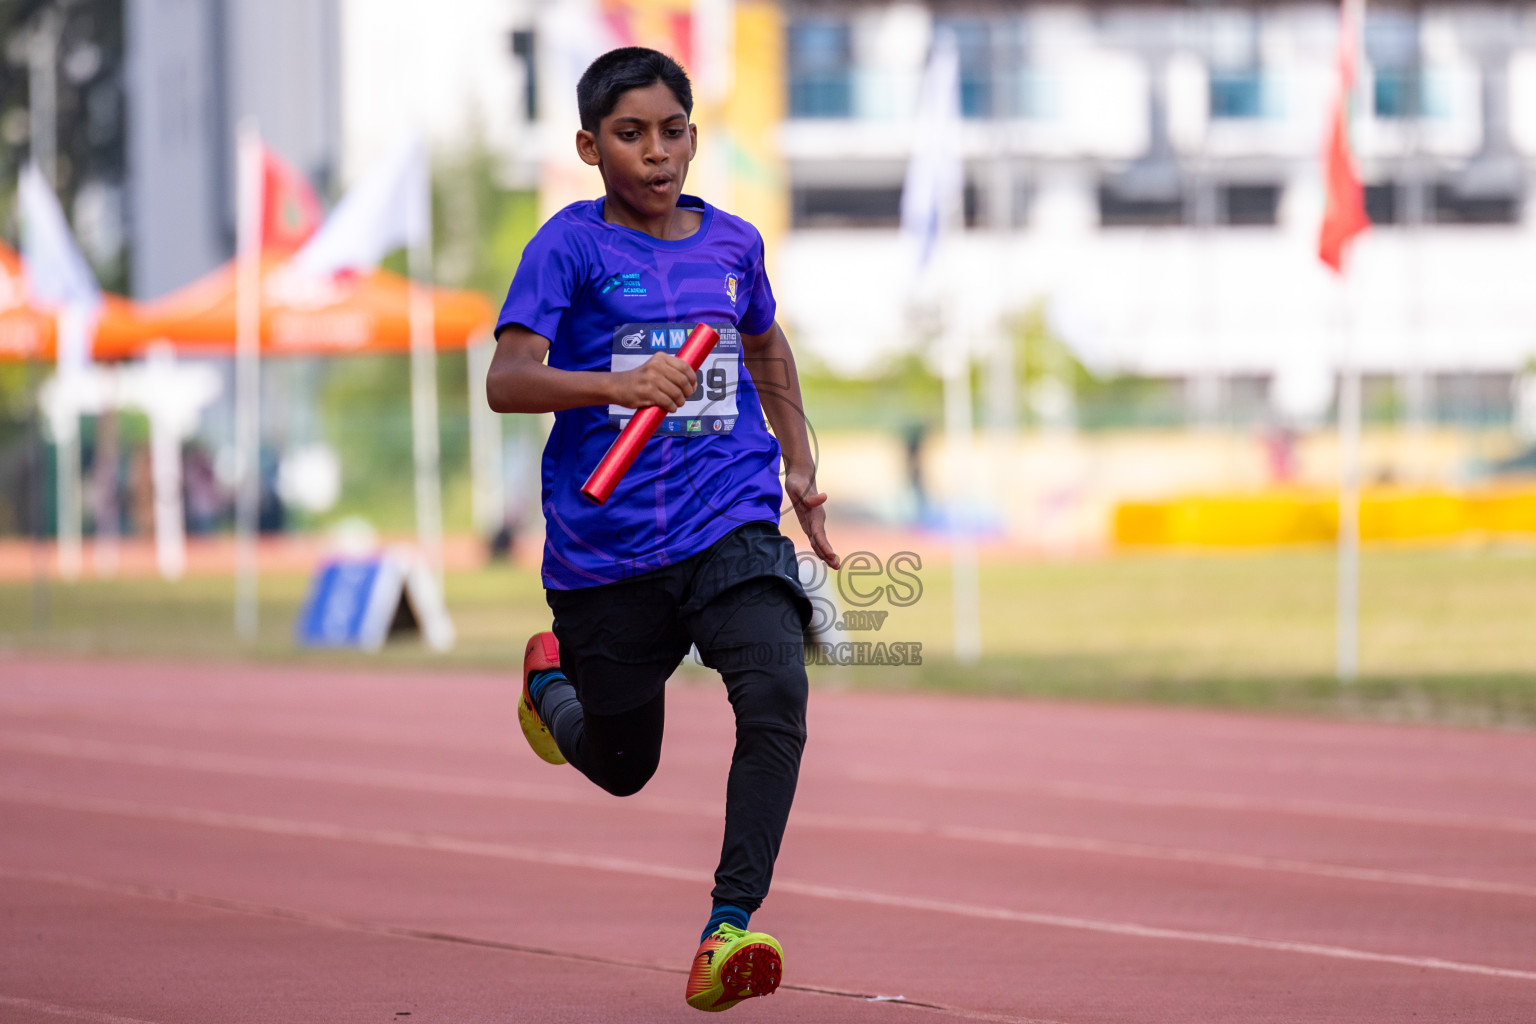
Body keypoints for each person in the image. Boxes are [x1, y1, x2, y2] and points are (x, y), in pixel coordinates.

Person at [485, 46, 840, 1013]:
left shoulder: (733, 244)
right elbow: (507, 381)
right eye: (630, 135)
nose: (656, 153)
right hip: (607, 553)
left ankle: (727, 931)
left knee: (776, 692)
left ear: (694, 133)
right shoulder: (569, 247)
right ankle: (550, 681)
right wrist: (615, 383)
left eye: (672, 131)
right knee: (623, 764)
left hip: (730, 519)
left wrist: (799, 466)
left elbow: (762, 341)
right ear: (589, 146)